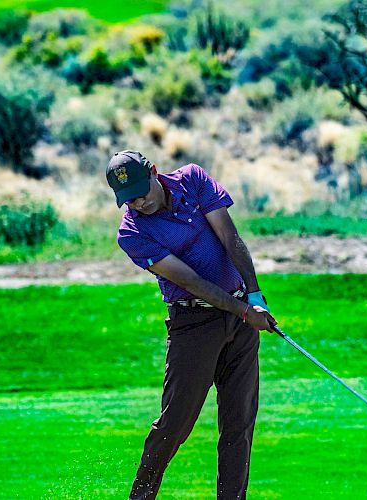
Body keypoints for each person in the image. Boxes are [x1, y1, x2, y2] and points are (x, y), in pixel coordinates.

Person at [106, 150, 277, 499]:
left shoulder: (193, 180)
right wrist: (246, 312)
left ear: (154, 171)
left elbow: (231, 239)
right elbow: (192, 282)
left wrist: (255, 296)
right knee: (174, 425)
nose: (137, 202)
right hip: (193, 324)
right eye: (128, 199)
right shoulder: (131, 233)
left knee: (239, 424)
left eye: (141, 191)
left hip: (240, 314)